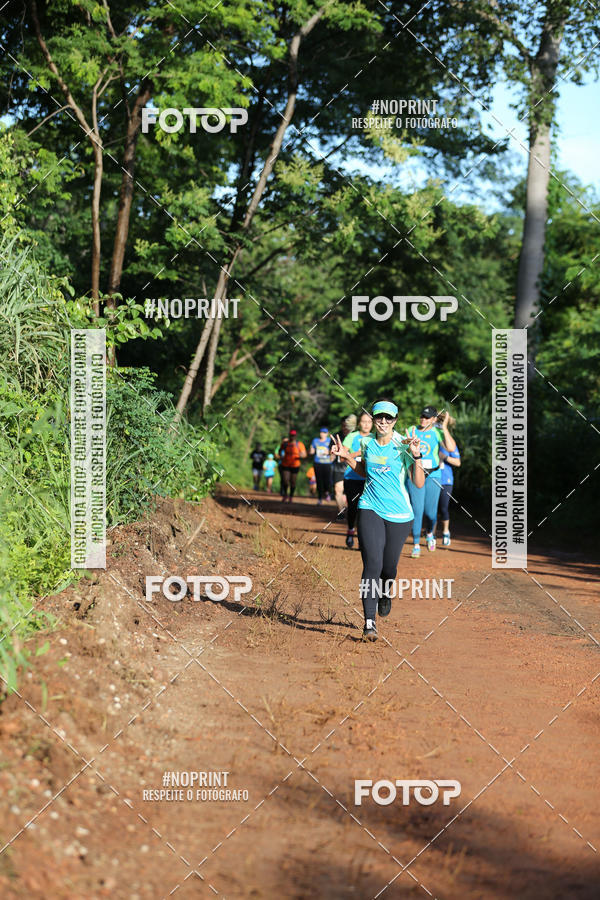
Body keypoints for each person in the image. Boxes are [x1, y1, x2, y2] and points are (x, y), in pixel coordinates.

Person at [333, 399, 423, 641]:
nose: (384, 421)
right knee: (372, 564)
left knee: (388, 568)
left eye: (389, 418)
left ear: (395, 420)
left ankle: (385, 593)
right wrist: (347, 457)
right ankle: (369, 622)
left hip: (399, 515)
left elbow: (419, 482)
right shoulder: (367, 443)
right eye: (379, 417)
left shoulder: (403, 444)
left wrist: (417, 456)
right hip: (370, 507)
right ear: (373, 419)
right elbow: (364, 471)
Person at [405, 406, 457, 557]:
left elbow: (451, 448)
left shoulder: (437, 432)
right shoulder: (412, 429)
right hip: (415, 474)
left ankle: (429, 533)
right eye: (422, 416)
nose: (423, 419)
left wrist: (445, 427)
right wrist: (407, 444)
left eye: (427, 417)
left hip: (433, 475)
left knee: (431, 512)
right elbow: (401, 448)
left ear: (434, 419)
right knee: (417, 509)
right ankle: (416, 544)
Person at [342, 411, 373, 548]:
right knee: (353, 507)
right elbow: (342, 456)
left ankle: (362, 538)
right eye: (364, 421)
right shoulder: (352, 436)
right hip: (352, 477)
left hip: (369, 479)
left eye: (369, 422)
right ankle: (350, 531)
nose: (366, 425)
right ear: (359, 423)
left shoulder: (375, 437)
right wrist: (358, 453)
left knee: (366, 510)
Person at [436, 417, 460, 546]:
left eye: (440, 424)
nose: (437, 426)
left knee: (443, 508)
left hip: (446, 480)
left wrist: (444, 457)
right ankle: (431, 534)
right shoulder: (431, 437)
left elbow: (458, 462)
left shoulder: (448, 441)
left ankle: (445, 532)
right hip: (432, 478)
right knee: (431, 509)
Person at [333, 414, 357, 517]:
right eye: (343, 425)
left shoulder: (356, 436)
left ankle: (352, 512)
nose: (345, 428)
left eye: (347, 425)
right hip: (339, 467)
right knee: (338, 490)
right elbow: (332, 453)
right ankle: (341, 512)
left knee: (349, 494)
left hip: (353, 468)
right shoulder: (336, 436)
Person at [278, 429, 307, 502]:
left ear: (296, 436)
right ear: (289, 435)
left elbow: (304, 454)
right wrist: (280, 455)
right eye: (291, 435)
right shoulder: (285, 443)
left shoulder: (299, 444)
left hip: (295, 465)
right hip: (285, 464)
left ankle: (291, 496)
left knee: (293, 482)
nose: (292, 437)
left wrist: (300, 455)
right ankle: (285, 495)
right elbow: (279, 450)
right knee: (285, 480)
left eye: (294, 435)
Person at [309, 427, 334, 504]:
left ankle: (327, 492)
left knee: (327, 481)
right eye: (321, 432)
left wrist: (329, 452)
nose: (323, 434)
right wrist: (310, 450)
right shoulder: (315, 441)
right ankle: (319, 498)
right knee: (319, 481)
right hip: (317, 463)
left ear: (327, 434)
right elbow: (312, 452)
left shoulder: (329, 441)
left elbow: (333, 452)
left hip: (327, 463)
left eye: (324, 432)